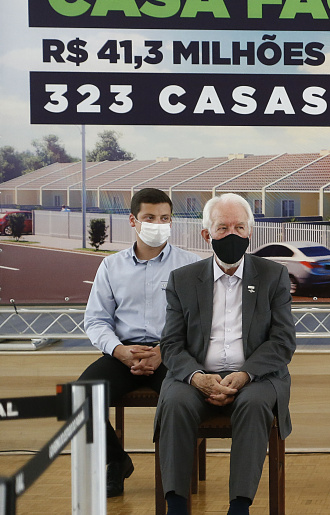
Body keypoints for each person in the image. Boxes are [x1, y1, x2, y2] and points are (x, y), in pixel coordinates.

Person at [155, 193, 296, 515]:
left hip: (256, 377)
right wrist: (197, 377)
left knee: (254, 404)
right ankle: (176, 505)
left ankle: (239, 507)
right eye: (222, 228)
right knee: (174, 402)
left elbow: (283, 341)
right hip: (195, 376)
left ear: (249, 232)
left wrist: (245, 374)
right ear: (207, 234)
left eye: (239, 227)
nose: (232, 235)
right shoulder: (183, 279)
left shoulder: (273, 276)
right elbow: (171, 344)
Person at [78, 188, 199, 497]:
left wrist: (163, 352)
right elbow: (95, 320)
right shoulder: (111, 266)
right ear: (133, 220)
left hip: (172, 353)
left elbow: (200, 322)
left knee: (181, 401)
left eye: (165, 218)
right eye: (150, 218)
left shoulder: (191, 265)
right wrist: (119, 351)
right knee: (79, 399)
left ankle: (175, 479)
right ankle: (117, 461)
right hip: (124, 352)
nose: (158, 224)